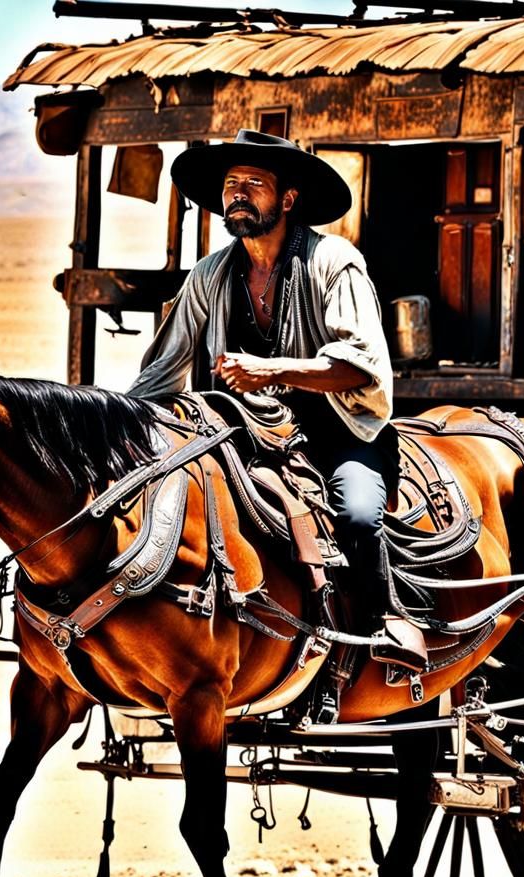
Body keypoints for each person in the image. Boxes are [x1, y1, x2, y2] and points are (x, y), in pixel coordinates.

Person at [129, 129, 426, 675]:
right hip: (244, 432)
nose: (238, 194)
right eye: (230, 184)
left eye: (254, 184)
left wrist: (272, 369)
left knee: (359, 515)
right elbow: (160, 372)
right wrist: (110, 424)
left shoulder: (334, 261)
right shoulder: (209, 275)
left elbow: (360, 363)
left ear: (288, 199)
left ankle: (390, 621)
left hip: (341, 430)